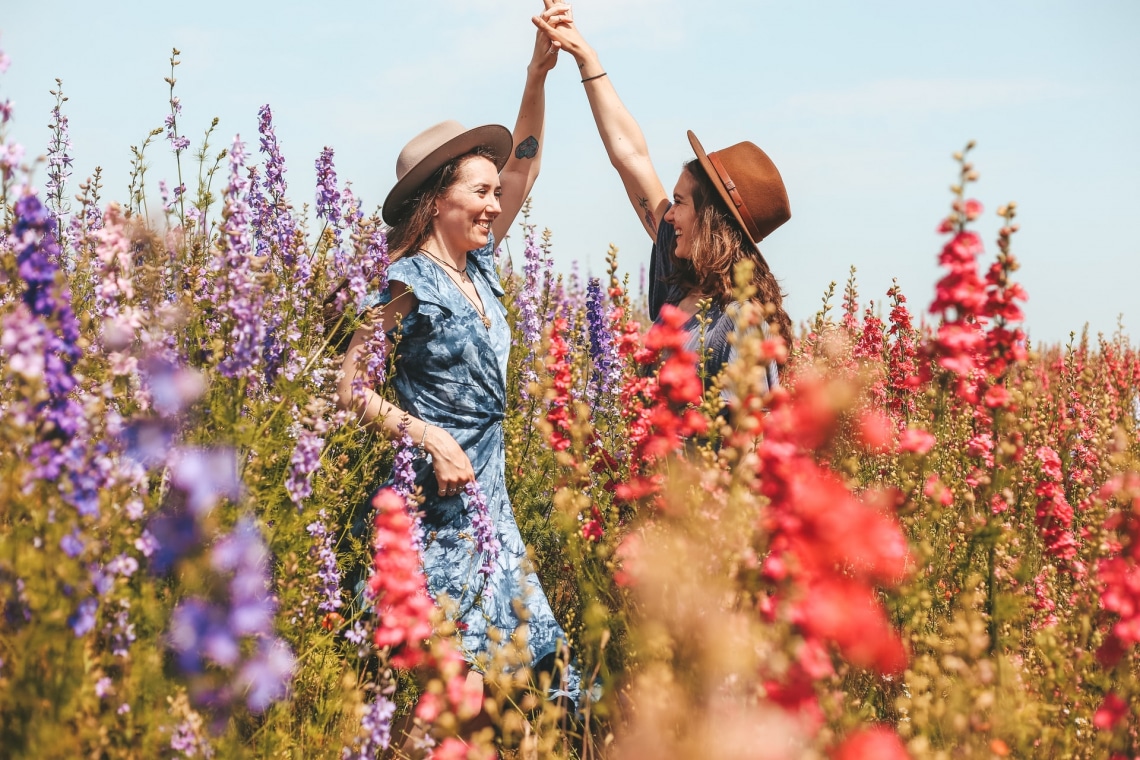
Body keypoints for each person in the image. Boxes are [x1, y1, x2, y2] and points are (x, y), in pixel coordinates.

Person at [337, 1, 579, 714]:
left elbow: (525, 162)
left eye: (493, 194)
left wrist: (538, 75)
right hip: (433, 508)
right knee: (458, 701)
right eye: (479, 191)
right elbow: (348, 385)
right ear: (438, 199)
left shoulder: (482, 268)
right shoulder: (405, 283)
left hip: (488, 506)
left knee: (516, 694)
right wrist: (429, 434)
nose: (493, 203)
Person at [534, 9, 792, 394]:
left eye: (680, 202)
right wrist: (585, 57)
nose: (668, 215)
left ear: (713, 222)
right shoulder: (681, 279)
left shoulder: (742, 324)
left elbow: (750, 445)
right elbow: (631, 159)